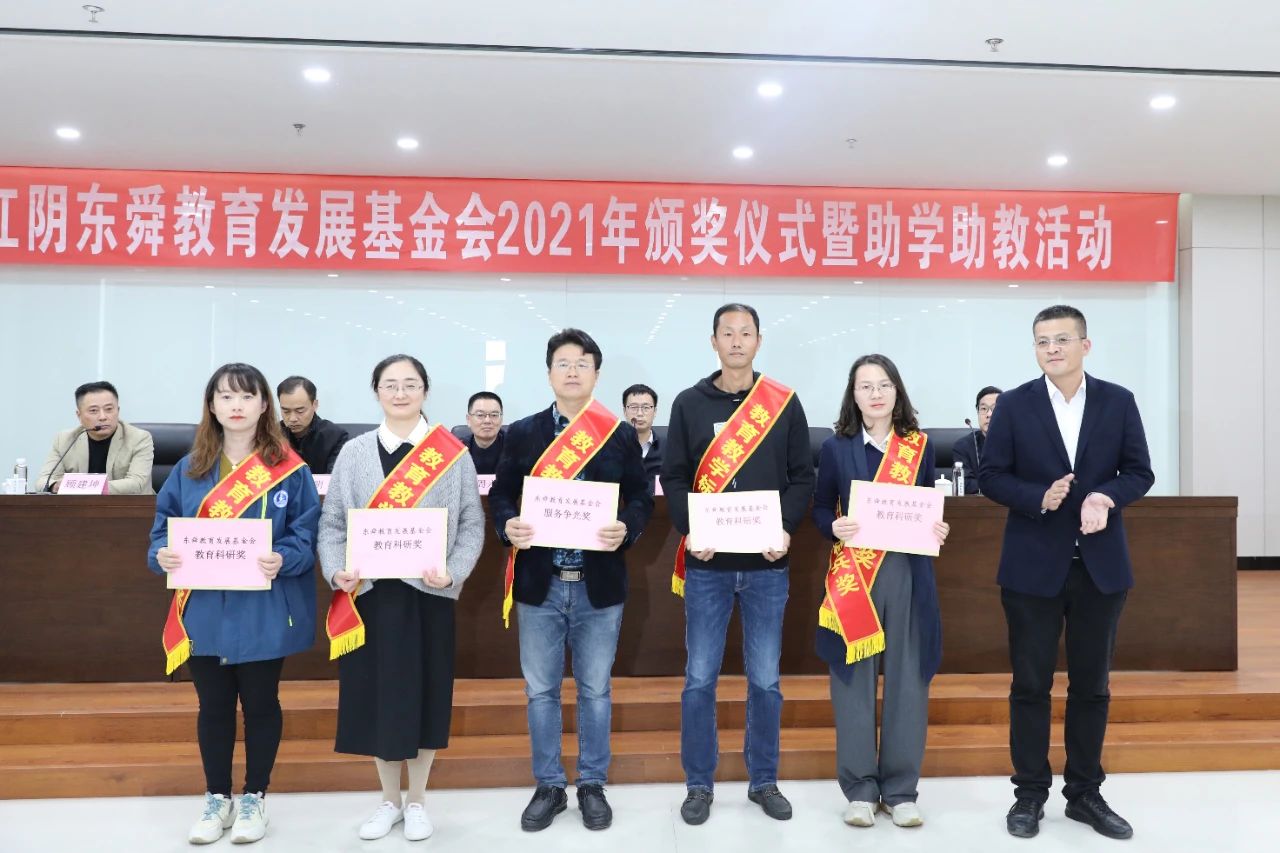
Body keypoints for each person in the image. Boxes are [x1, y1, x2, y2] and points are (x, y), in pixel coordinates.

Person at [980, 305, 1154, 841]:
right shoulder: (1014, 404)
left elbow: (1140, 471)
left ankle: (1084, 793)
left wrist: (1106, 496)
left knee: (1092, 687)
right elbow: (991, 476)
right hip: (1032, 567)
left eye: (1061, 339)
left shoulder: (1118, 401)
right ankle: (1029, 794)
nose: (1051, 349)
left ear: (1085, 345)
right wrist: (1038, 496)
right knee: (1030, 685)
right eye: (1042, 341)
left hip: (1100, 568)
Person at [147, 363, 320, 845]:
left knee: (261, 703)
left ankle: (254, 797)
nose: (236, 405)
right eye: (225, 396)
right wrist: (163, 554)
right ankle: (216, 797)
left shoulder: (290, 468)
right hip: (204, 607)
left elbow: (307, 534)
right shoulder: (189, 468)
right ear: (212, 405)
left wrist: (283, 557)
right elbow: (161, 530)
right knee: (214, 706)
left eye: (246, 396)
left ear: (264, 405)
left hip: (264, 608)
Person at [489, 329, 653, 833]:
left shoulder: (618, 433)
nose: (573, 371)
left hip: (597, 585)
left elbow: (641, 497)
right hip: (540, 583)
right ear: (549, 374)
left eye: (583, 363)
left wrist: (628, 526)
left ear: (597, 375)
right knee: (540, 691)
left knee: (595, 690)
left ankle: (592, 784)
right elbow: (502, 495)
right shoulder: (523, 432)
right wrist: (507, 524)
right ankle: (549, 786)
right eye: (564, 363)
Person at [317, 354, 485, 843]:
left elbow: (472, 523)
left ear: (425, 391)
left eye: (410, 384)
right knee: (378, 698)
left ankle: (418, 802)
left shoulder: (452, 453)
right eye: (390, 384)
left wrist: (452, 572)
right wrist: (337, 569)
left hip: (428, 596)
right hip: (370, 597)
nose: (400, 393)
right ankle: (389, 800)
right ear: (376, 392)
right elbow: (332, 523)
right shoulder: (353, 453)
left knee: (426, 695)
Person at [660, 303, 814, 825]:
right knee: (699, 679)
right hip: (708, 566)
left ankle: (763, 780)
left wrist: (785, 528)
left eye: (745, 333)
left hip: (767, 567)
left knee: (765, 680)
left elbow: (802, 476)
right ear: (714, 341)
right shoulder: (688, 403)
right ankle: (698, 784)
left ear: (758, 341)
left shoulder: (783, 403)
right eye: (727, 333)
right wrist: (691, 529)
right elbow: (674, 476)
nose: (736, 341)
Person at [812, 354, 949, 829]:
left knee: (909, 680)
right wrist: (833, 525)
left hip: (907, 574)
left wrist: (937, 527)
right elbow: (819, 509)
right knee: (853, 682)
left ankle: (901, 790)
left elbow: (927, 504)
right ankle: (860, 790)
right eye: (865, 386)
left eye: (884, 384)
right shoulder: (836, 448)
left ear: (897, 391)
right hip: (855, 578)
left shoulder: (919, 447)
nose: (875, 394)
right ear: (853, 395)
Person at [38, 380, 154, 494]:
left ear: (118, 410)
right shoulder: (65, 440)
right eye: (94, 411)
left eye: (109, 409)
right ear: (79, 415)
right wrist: (55, 486)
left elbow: (136, 484)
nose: (103, 417)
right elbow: (43, 481)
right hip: (80, 506)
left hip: (128, 505)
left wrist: (83, 486)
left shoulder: (139, 438)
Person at [276, 375, 350, 474]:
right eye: (286, 411)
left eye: (300, 411)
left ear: (315, 405)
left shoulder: (336, 437)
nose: (292, 419)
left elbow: (335, 479)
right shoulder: (271, 435)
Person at [951, 386, 1001, 495]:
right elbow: (964, 484)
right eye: (983, 409)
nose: (989, 414)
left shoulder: (1017, 444)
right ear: (977, 412)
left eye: (995, 408)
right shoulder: (963, 447)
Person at [622, 383, 663, 488]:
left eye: (646, 407)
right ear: (625, 411)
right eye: (633, 407)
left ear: (655, 412)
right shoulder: (611, 448)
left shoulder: (670, 449)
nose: (640, 413)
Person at [463, 391, 505, 475]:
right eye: (480, 415)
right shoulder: (458, 449)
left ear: (501, 419)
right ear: (468, 420)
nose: (487, 421)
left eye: (494, 415)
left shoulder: (516, 448)